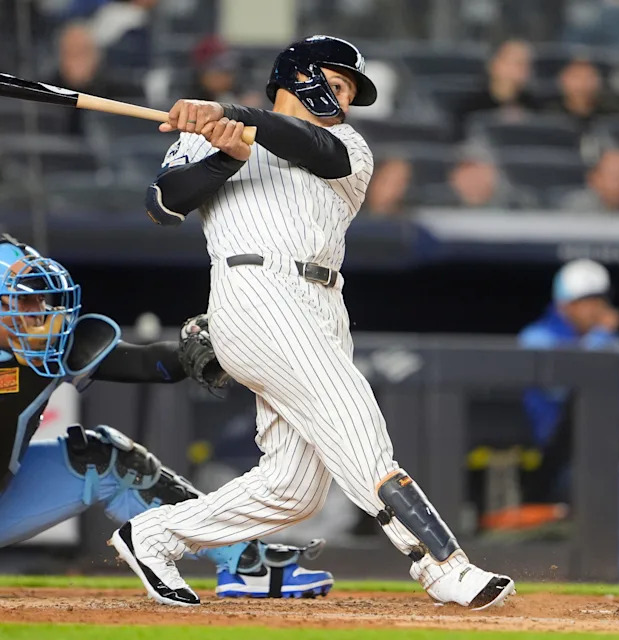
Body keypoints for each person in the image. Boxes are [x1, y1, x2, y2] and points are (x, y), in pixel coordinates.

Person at [123, 35, 516, 608]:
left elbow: (309, 146)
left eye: (348, 91)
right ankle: (442, 565)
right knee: (356, 425)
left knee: (294, 490)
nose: (343, 100)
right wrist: (223, 155)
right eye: (335, 85)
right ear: (299, 77)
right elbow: (165, 204)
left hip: (322, 303)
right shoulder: (207, 135)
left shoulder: (349, 146)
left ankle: (153, 535)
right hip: (253, 291)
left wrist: (232, 116)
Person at [0, 235, 332, 599]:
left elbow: (142, 363)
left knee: (108, 457)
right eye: (25, 301)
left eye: (44, 300)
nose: (41, 314)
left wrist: (210, 350)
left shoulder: (49, 345)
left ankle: (243, 561)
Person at [518, 259, 619, 452]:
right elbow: (558, 388)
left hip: (606, 449)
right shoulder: (536, 337)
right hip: (549, 451)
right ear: (565, 305)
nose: (597, 309)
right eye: (587, 301)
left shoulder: (615, 343)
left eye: (600, 301)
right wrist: (599, 337)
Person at [450, 39, 540, 131]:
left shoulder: (535, 107)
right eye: (518, 63)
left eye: (528, 64)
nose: (524, 70)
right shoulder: (470, 107)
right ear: (495, 64)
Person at [542, 58, 619, 131]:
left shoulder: (613, 113)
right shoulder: (549, 114)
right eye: (576, 77)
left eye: (589, 77)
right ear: (562, 80)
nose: (583, 83)